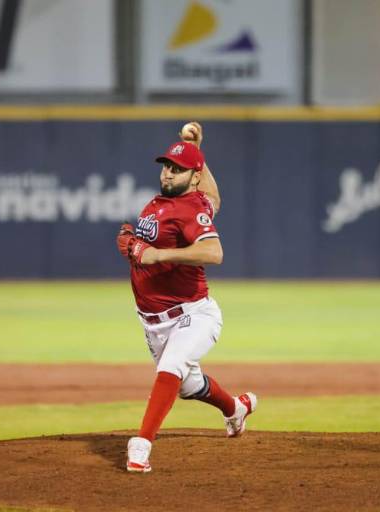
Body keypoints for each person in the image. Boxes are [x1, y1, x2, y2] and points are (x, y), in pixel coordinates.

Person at [116, 122, 256, 473]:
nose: (168, 172)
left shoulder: (190, 208)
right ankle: (235, 409)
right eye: (166, 165)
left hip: (193, 313)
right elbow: (215, 199)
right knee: (188, 384)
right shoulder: (161, 202)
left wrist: (158, 255)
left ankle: (141, 445)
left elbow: (214, 252)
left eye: (177, 168)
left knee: (171, 368)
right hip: (153, 322)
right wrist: (134, 245)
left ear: (192, 177)